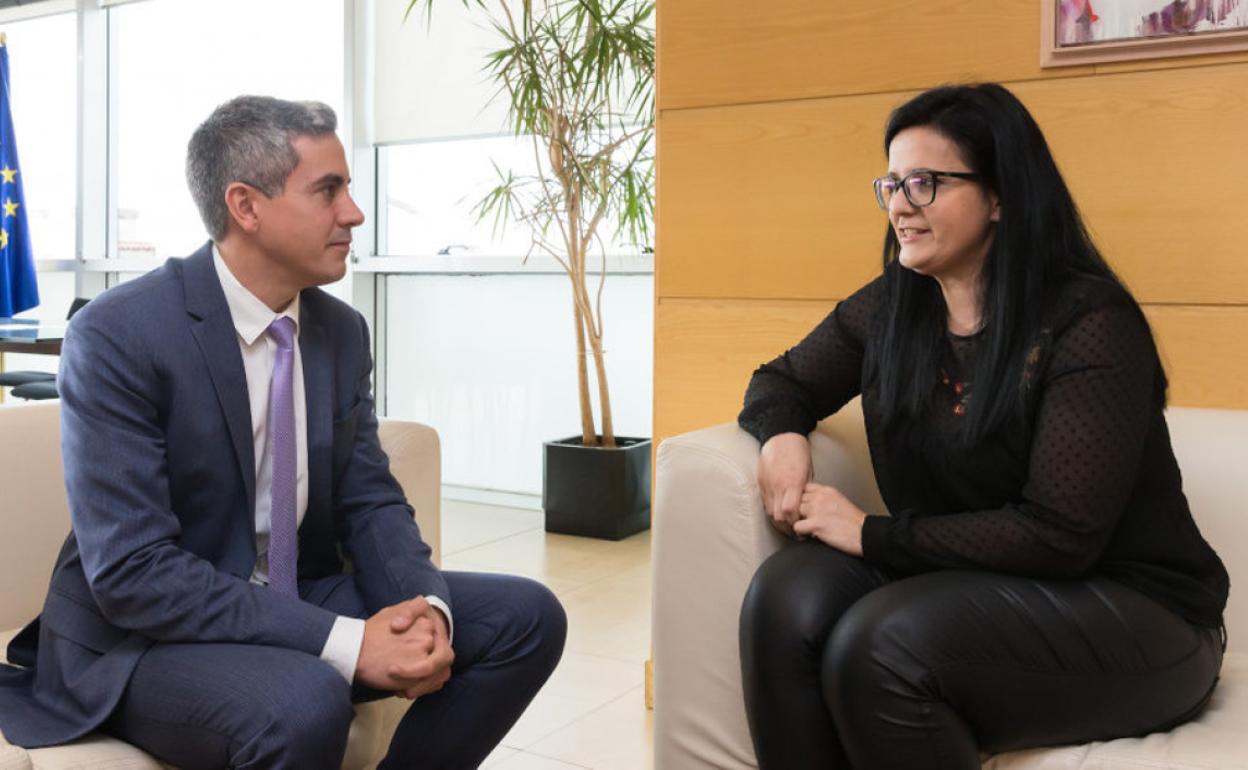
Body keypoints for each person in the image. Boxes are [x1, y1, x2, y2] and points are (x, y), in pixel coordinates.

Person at [0, 96, 566, 769]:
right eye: (329, 191)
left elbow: (370, 500)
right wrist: (351, 642)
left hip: (295, 589)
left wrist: (423, 610)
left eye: (348, 188)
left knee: (527, 618)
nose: (354, 212)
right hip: (143, 636)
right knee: (304, 702)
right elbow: (133, 574)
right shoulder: (121, 335)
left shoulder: (341, 332)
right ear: (246, 206)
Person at [736, 83, 1228, 769]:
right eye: (892, 183)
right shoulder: (894, 309)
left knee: (882, 644)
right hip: (968, 584)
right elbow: (780, 381)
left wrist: (873, 534)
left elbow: (1061, 537)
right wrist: (784, 438)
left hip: (1138, 613)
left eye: (926, 183)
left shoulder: (1089, 323)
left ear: (1000, 197)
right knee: (784, 600)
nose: (901, 205)